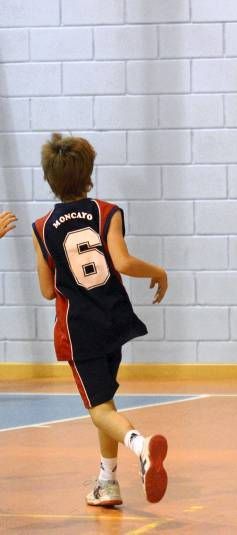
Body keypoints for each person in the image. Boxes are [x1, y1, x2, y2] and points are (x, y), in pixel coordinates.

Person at [32, 133, 170, 506]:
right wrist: (158, 270)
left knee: (99, 409)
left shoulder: (42, 227)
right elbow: (123, 262)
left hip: (79, 330)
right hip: (113, 322)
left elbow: (47, 291)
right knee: (105, 401)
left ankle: (140, 448)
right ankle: (107, 481)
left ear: (49, 180)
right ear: (89, 174)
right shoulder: (107, 212)